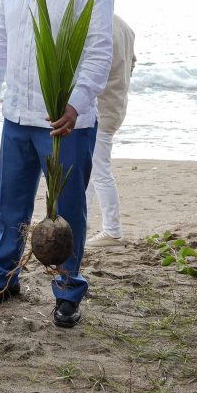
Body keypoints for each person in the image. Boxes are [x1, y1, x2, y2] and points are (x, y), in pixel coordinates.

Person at [0, 0, 114, 329]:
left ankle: (68, 290)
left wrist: (76, 104)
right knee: (9, 205)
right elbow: (2, 34)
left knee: (67, 210)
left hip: (63, 120)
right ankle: (4, 277)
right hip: (17, 112)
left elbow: (98, 51)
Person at [85, 14, 135, 247]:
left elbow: (93, 70)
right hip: (116, 103)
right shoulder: (124, 26)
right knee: (90, 171)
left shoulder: (99, 26)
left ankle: (112, 231)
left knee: (99, 170)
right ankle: (81, 224)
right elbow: (132, 62)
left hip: (101, 108)